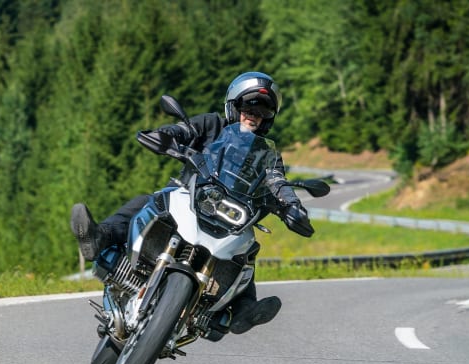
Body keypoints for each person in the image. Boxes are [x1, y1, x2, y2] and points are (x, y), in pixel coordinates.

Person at [70, 71, 314, 334]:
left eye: (264, 110)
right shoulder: (211, 125)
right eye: (249, 105)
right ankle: (99, 237)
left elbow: (277, 182)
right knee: (148, 202)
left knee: (245, 250)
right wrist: (166, 138)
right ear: (233, 105)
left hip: (233, 217)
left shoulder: (268, 156)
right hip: (188, 197)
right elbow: (183, 130)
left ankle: (244, 310)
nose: (254, 114)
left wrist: (292, 207)